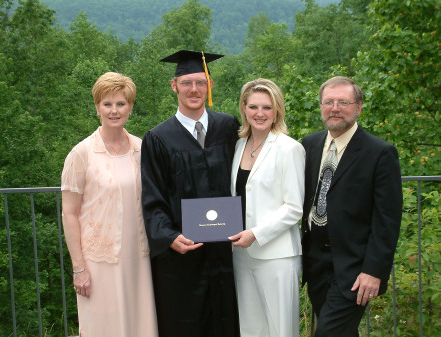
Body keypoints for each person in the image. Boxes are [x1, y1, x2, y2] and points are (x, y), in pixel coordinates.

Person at [141, 50, 240, 337]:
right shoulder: (158, 138)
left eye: (200, 82)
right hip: (182, 255)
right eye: (186, 83)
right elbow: (152, 195)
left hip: (224, 250)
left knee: (226, 320)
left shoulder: (228, 127)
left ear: (210, 85)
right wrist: (169, 237)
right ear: (174, 86)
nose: (194, 89)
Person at [301, 76, 402, 336]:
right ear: (321, 106)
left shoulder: (379, 153)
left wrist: (374, 271)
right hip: (315, 263)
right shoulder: (308, 145)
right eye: (328, 102)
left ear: (358, 107)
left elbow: (387, 219)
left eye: (343, 102)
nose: (335, 108)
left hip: (354, 267)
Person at [61, 72, 158, 337]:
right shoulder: (81, 154)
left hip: (139, 258)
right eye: (107, 104)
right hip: (98, 263)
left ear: (130, 107)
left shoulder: (142, 149)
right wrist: (79, 268)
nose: (114, 110)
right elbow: (69, 214)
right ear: (97, 107)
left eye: (120, 104)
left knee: (139, 325)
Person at [228, 78, 305, 337]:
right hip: (240, 254)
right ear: (244, 109)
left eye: (267, 108)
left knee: (280, 329)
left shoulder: (289, 148)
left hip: (277, 256)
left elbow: (294, 208)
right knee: (251, 328)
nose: (259, 114)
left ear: (277, 111)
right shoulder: (238, 146)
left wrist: (256, 234)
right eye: (253, 107)